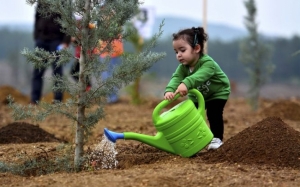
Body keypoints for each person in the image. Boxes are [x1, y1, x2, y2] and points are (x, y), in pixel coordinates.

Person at [164, 27, 231, 150]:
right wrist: (169, 89)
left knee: (213, 113)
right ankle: (191, 140)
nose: (179, 55)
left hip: (217, 93)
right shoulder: (183, 67)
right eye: (176, 52)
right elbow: (176, 78)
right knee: (191, 116)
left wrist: (186, 83)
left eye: (182, 50)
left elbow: (199, 76)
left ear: (196, 48)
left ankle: (217, 139)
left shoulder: (208, 63)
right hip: (198, 95)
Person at [31, 2, 71, 104]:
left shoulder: (63, 2)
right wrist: (37, 36)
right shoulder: (42, 2)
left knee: (57, 71)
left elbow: (68, 21)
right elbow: (37, 17)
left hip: (57, 41)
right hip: (41, 40)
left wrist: (66, 41)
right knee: (38, 71)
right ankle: (34, 100)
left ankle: (58, 100)